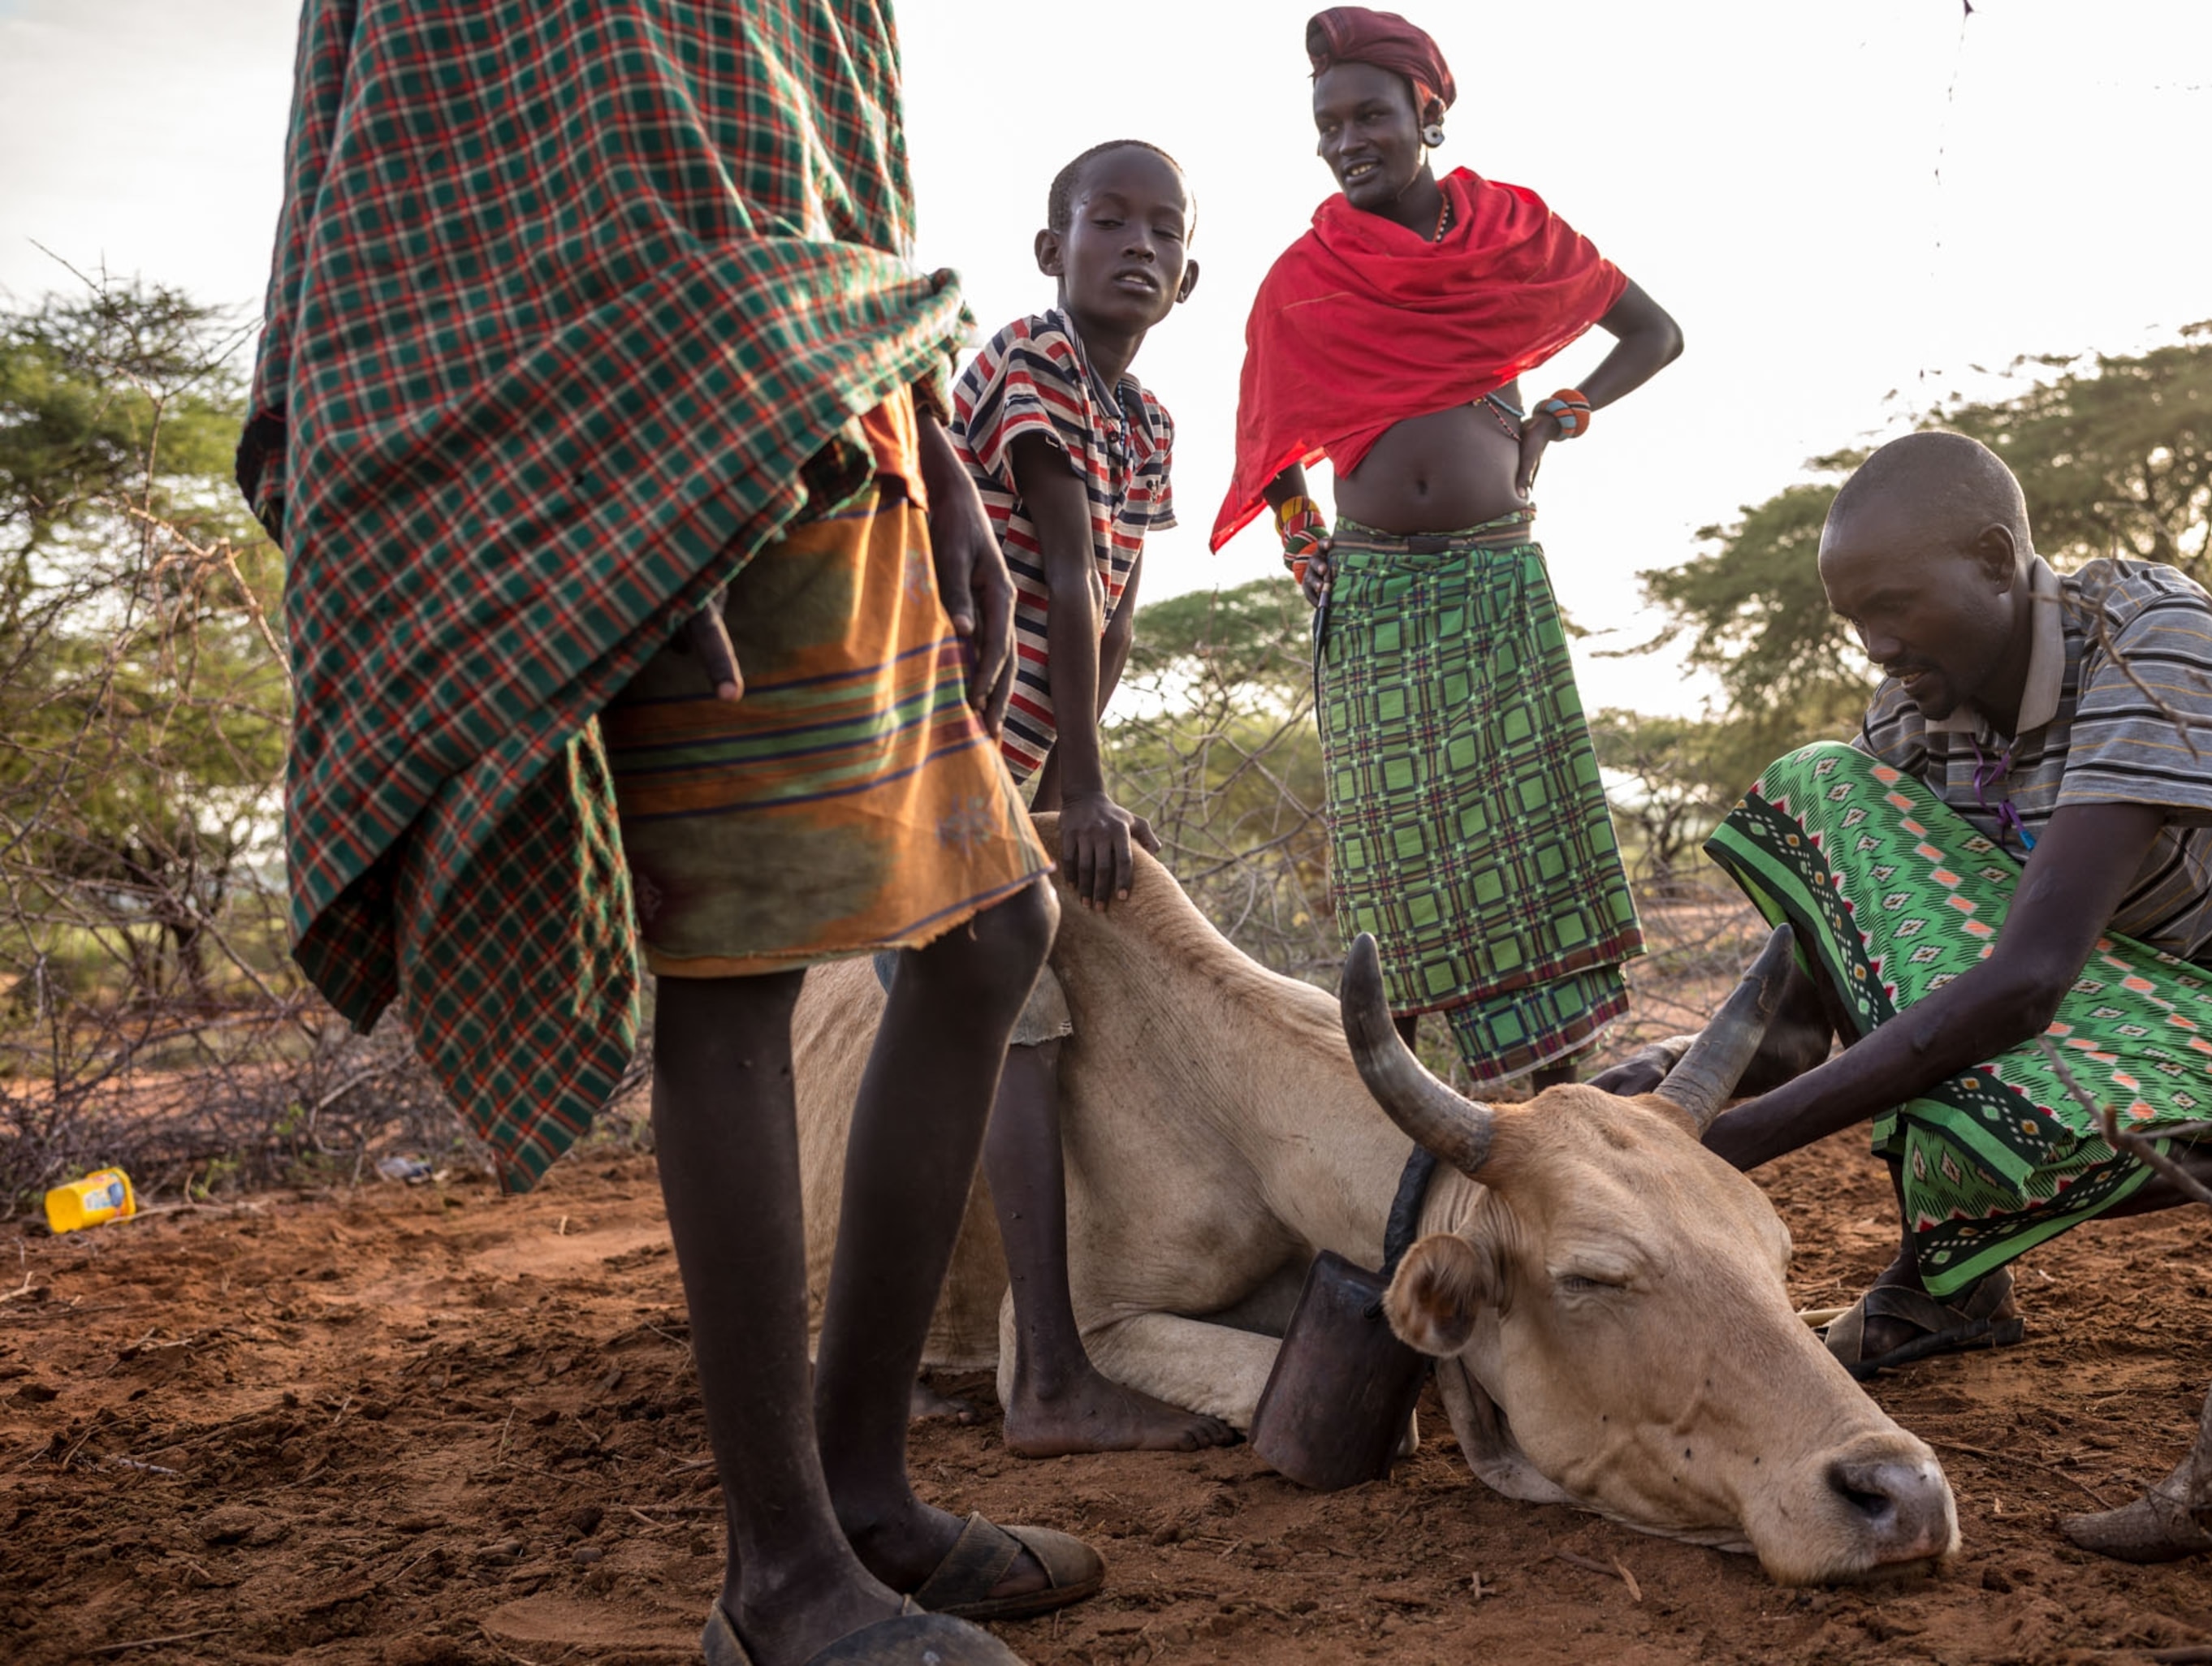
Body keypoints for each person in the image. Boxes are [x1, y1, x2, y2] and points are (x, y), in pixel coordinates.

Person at [243, 5, 1104, 1660]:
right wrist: (617, 503)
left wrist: (933, 455)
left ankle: (863, 1503)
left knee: (996, 923)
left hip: (834, 405)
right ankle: (778, 1581)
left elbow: (846, 168)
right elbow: (438, 171)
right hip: (635, 439)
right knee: (735, 971)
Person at [1600, 431, 2212, 1379]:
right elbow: (1811, 1014)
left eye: (1892, 606)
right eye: (1854, 619)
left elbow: (2028, 983)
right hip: (2131, 1002)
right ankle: (1951, 1283)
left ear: (1997, 561)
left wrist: (1732, 1145)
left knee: (1991, 1086)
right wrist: (1669, 1087)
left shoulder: (2149, 634)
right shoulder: (1911, 714)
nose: (1876, 645)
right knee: (1829, 793)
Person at [1216, 6, 1683, 1090]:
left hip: (1493, 581)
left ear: (1426, 113)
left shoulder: (1510, 232)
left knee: (1527, 849)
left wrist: (1557, 416)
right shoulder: (1305, 275)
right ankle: (1405, 1135)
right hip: (1373, 596)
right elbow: (1266, 447)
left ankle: (1563, 1117)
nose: (1345, 143)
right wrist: (1306, 556)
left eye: (1368, 115)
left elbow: (1655, 334)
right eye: (1326, 126)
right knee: (1391, 863)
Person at [939, 139, 1233, 1456]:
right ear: (1050, 249)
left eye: (1161, 230)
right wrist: (1087, 794)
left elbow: (1115, 612)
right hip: (945, 734)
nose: (1137, 244)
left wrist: (1076, 780)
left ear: (1186, 275)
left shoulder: (1150, 420)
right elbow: (1055, 577)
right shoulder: (1030, 356)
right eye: (1105, 220)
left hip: (1025, 753)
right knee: (1020, 1017)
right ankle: (1050, 1372)